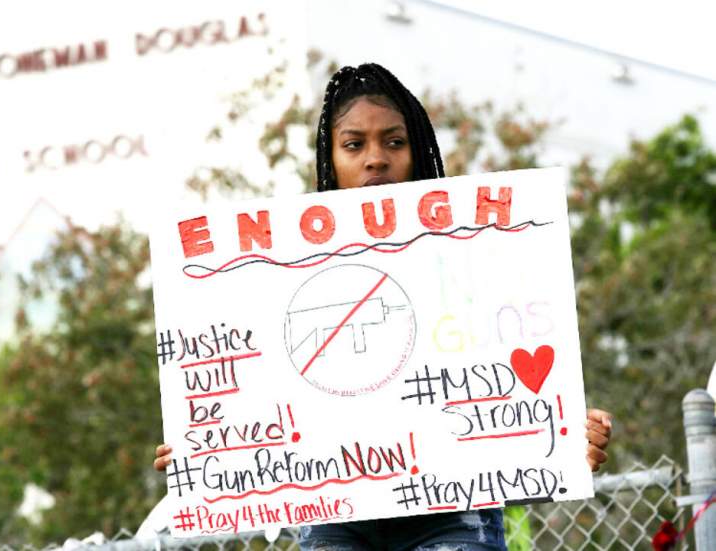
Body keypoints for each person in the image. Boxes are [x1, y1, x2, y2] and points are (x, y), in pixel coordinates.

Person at [154, 63, 613, 550]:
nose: (376, 159)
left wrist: (563, 436)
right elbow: (253, 380)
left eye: (394, 142)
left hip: (453, 511)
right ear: (330, 158)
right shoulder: (276, 270)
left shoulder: (479, 247)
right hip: (333, 512)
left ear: (418, 150)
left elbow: (510, 375)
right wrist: (207, 446)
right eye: (354, 144)